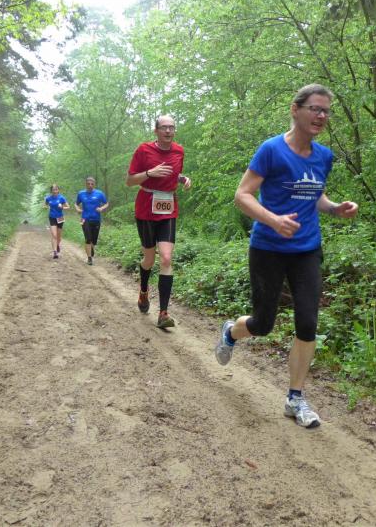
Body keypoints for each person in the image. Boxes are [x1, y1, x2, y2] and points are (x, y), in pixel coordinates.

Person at [214, 84, 358, 428]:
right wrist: (273, 220)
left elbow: (315, 195)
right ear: (295, 109)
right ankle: (231, 332)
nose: (321, 116)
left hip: (307, 249)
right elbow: (242, 195)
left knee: (307, 322)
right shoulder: (271, 150)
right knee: (263, 324)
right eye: (314, 108)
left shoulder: (324, 156)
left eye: (326, 111)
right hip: (268, 248)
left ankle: (295, 398)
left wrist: (334, 209)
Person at [126, 115, 191, 329]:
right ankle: (144, 290)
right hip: (146, 207)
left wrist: (183, 179)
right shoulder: (144, 150)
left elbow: (173, 173)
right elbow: (130, 181)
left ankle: (163, 313)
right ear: (156, 130)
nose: (168, 131)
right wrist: (149, 173)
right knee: (149, 259)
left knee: (166, 258)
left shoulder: (179, 151)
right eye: (164, 127)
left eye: (172, 127)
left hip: (168, 207)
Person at [75, 177, 109, 265]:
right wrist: (78, 209)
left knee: (93, 240)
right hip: (84, 219)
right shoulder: (81, 193)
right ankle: (89, 258)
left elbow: (106, 203)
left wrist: (101, 208)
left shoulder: (99, 193)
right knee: (88, 238)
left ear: (94, 184)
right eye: (88, 184)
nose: (90, 185)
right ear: (86, 184)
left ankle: (91, 247)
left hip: (96, 219)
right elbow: (76, 203)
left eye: (92, 184)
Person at [44, 184, 70, 259]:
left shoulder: (61, 198)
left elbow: (68, 207)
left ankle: (57, 245)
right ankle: (55, 252)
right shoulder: (48, 198)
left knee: (59, 237)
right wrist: (46, 207)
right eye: (53, 190)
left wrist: (62, 207)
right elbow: (45, 205)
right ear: (51, 191)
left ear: (58, 190)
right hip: (52, 217)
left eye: (56, 189)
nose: (55, 191)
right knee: (54, 235)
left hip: (60, 217)